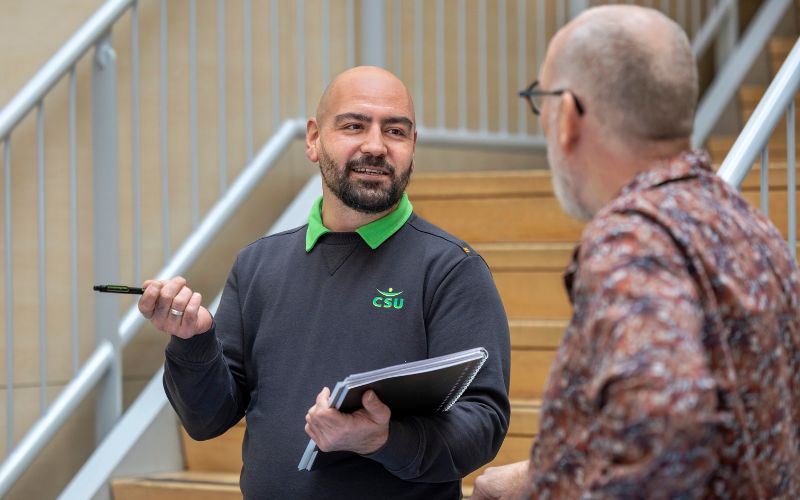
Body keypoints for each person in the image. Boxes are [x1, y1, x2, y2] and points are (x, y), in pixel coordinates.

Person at [472, 5, 800, 499]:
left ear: (565, 116)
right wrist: (541, 478)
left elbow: (667, 421)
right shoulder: (750, 224)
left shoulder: (631, 240)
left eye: (541, 101)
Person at [138, 66, 511, 499]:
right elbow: (206, 419)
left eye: (395, 131)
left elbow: (483, 422)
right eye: (354, 125)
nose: (375, 146)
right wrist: (193, 341)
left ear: (412, 146)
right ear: (314, 139)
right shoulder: (258, 264)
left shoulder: (451, 269)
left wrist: (382, 440)